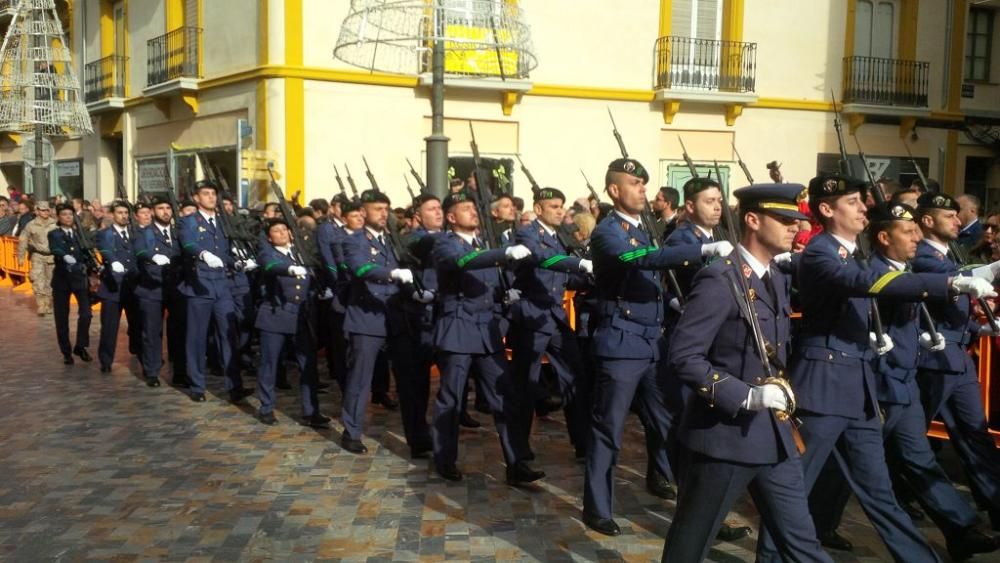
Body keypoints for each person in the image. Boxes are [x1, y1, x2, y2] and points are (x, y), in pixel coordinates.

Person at [756, 174, 993, 562]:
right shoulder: (820, 252)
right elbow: (863, 283)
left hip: (859, 386)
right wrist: (950, 284)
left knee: (878, 488)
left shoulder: (851, 253)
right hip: (825, 383)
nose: (864, 207)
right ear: (828, 210)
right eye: (853, 202)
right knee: (795, 485)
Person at [812, 201, 1000, 561]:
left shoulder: (905, 268)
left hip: (904, 383)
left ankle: (960, 529)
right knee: (853, 468)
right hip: (878, 384)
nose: (917, 237)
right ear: (884, 237)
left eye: (917, 229)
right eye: (907, 231)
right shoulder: (876, 271)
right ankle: (812, 525)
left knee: (914, 459)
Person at [663, 183, 831, 562]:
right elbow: (684, 356)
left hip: (774, 433)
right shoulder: (720, 279)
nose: (795, 228)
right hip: (724, 437)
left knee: (802, 542)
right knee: (691, 544)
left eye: (797, 221)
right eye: (786, 220)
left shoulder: (776, 277)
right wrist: (745, 395)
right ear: (753, 220)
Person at [582, 157, 729, 536]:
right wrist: (700, 253)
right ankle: (597, 507)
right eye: (635, 183)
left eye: (645, 183)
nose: (643, 189)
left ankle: (688, 504)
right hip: (621, 340)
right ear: (615, 190)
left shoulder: (645, 229)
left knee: (671, 422)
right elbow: (635, 259)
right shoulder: (607, 232)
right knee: (608, 427)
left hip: (652, 341)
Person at [430, 189, 541, 484]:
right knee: (451, 398)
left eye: (473, 207)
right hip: (458, 327)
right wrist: (502, 254)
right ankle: (444, 458)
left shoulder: (483, 243)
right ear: (451, 217)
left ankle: (517, 462)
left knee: (505, 395)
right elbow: (463, 263)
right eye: (465, 208)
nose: (473, 212)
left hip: (486, 331)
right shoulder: (445, 243)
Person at [912, 191, 1000, 532]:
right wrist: (992, 268)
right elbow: (955, 276)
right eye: (949, 216)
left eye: (956, 215)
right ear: (927, 221)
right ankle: (894, 492)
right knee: (906, 437)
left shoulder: (949, 255)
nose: (958, 221)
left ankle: (994, 503)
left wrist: (981, 327)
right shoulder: (923, 257)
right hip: (934, 359)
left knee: (973, 434)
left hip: (958, 358)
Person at [509, 187, 593, 461]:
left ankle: (582, 443)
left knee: (575, 377)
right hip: (531, 316)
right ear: (539, 208)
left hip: (555, 316)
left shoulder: (561, 236)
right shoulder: (528, 233)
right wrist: (578, 264)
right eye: (553, 206)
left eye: (561, 206)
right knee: (525, 384)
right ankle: (519, 450)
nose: (560, 210)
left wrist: (592, 276)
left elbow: (566, 279)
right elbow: (543, 259)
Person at [339, 189, 422, 454]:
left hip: (395, 318)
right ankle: (351, 432)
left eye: (386, 209)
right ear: (363, 212)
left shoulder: (392, 241)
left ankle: (417, 438)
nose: (384, 214)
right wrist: (392, 274)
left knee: (407, 381)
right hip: (367, 318)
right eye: (378, 209)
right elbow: (361, 269)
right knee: (360, 380)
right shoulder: (354, 241)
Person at [177, 180, 253, 403]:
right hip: (199, 285)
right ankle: (197, 385)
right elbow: (188, 244)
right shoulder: (188, 221)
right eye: (206, 193)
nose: (211, 197)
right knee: (197, 338)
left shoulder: (222, 222)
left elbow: (224, 253)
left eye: (213, 194)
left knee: (228, 335)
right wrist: (202, 254)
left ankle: (234, 385)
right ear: (197, 198)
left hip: (222, 285)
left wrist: (237, 263)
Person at [254, 218, 330, 427]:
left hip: (301, 316)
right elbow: (269, 266)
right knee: (270, 363)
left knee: (308, 366)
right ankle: (266, 407)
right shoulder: (267, 253)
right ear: (270, 238)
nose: (281, 233)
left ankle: (311, 411)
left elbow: (314, 272)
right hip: (276, 314)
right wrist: (290, 270)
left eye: (284, 230)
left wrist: (321, 288)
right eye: (276, 231)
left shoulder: (300, 253)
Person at [133, 196, 186, 387]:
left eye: (168, 208)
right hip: (152, 286)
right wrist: (152, 256)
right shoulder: (145, 232)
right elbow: (139, 250)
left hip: (176, 286)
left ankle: (180, 372)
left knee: (180, 331)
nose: (165, 211)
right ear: (154, 211)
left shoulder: (178, 232)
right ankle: (152, 371)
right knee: (152, 331)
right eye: (161, 208)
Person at [94, 200, 139, 372]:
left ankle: (138, 351)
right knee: (109, 327)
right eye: (120, 212)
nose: (124, 216)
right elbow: (105, 249)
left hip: (133, 285)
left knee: (136, 324)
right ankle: (106, 361)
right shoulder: (106, 234)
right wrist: (112, 261)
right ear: (112, 215)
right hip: (113, 286)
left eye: (126, 213)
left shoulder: (135, 233)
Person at [48, 204, 94, 365]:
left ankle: (80, 346)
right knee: (62, 317)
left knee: (87, 313)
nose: (68, 217)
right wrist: (64, 255)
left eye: (70, 214)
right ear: (58, 217)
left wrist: (95, 265)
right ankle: (66, 351)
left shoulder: (80, 234)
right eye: (64, 214)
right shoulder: (54, 234)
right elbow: (56, 248)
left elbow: (87, 252)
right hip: (62, 279)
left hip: (79, 278)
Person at [17, 201, 56, 315]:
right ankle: (41, 305)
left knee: (51, 282)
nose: (45, 212)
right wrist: (21, 256)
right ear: (37, 211)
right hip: (37, 256)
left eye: (47, 210)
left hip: (52, 257)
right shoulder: (31, 225)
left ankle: (48, 304)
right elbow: (23, 240)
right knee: (38, 280)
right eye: (42, 210)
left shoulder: (54, 224)